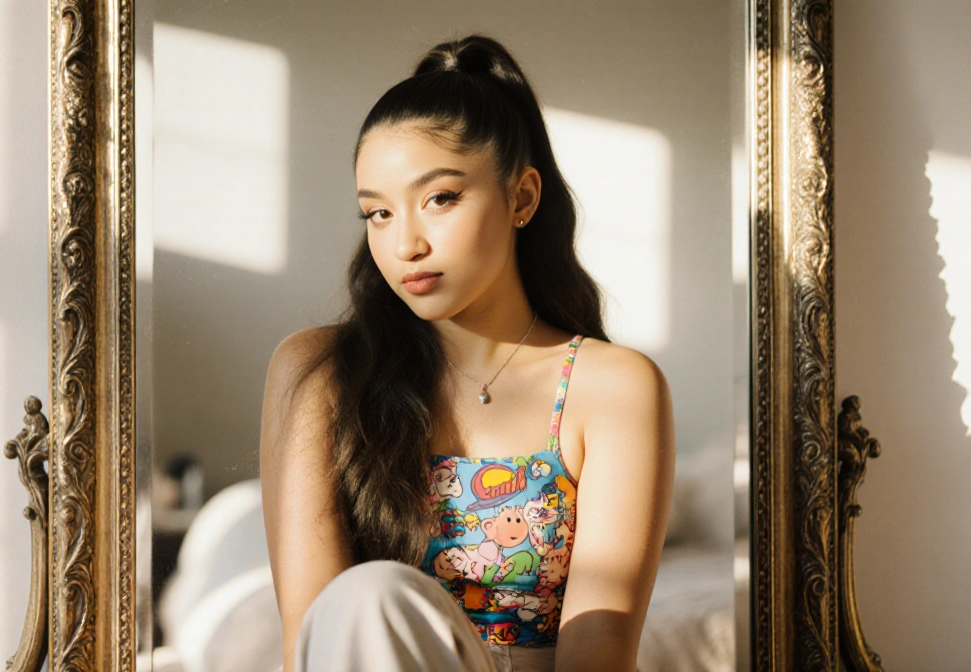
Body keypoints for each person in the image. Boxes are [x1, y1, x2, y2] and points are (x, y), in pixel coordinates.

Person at [259, 34, 675, 672]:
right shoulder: (321, 372)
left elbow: (601, 653)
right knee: (370, 597)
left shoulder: (612, 386)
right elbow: (308, 640)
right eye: (378, 214)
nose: (406, 245)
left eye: (440, 199)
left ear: (522, 199)